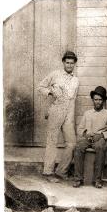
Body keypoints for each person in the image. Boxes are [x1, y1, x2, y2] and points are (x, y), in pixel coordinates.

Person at [37, 51, 79, 182]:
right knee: (52, 141)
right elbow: (40, 86)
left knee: (71, 143)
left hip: (68, 112)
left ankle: (61, 171)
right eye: (67, 62)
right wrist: (50, 92)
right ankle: (48, 172)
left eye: (72, 63)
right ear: (63, 62)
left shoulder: (76, 80)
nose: (69, 65)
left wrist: (70, 117)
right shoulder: (55, 74)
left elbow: (73, 100)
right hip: (56, 110)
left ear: (74, 64)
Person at [72, 86, 107, 188]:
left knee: (100, 147)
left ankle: (97, 180)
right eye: (96, 99)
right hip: (88, 138)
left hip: (100, 138)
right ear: (93, 100)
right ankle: (78, 179)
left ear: (103, 100)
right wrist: (85, 134)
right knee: (78, 148)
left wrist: (101, 135)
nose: (98, 102)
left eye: (100, 100)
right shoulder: (87, 114)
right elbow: (80, 129)